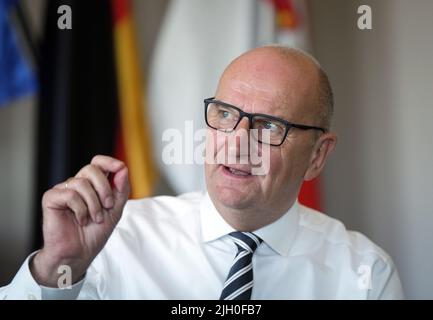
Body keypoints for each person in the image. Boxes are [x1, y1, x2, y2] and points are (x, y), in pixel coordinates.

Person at [0, 46, 404, 299]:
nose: (236, 141)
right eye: (225, 114)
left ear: (317, 155)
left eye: (267, 125)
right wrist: (56, 270)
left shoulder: (364, 275)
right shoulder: (115, 238)